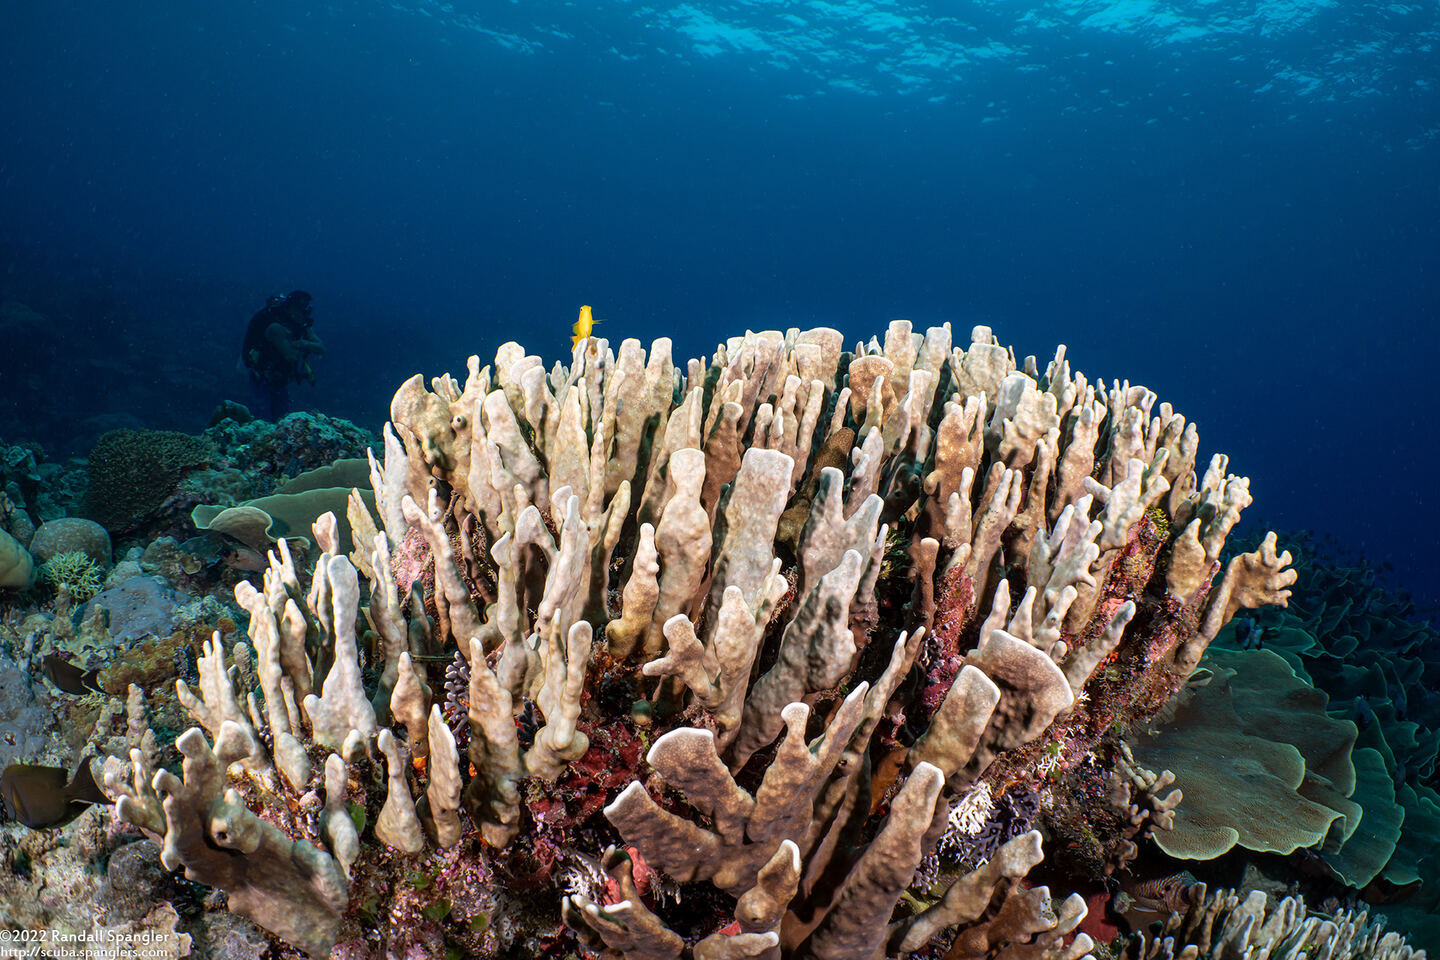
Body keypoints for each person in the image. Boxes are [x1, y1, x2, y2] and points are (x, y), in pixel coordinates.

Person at [239, 290, 326, 420]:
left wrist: (303, 343)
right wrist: (302, 345)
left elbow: (321, 348)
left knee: (279, 417)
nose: (305, 314)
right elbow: (290, 355)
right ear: (291, 309)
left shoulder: (301, 323)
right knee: (263, 418)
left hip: (280, 381)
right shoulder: (275, 326)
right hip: (264, 379)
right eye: (302, 309)